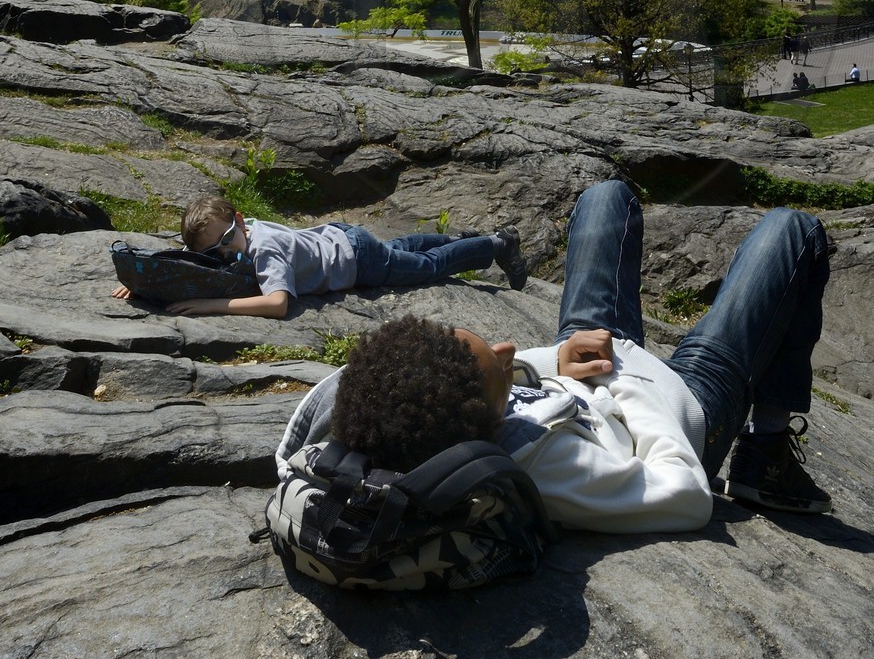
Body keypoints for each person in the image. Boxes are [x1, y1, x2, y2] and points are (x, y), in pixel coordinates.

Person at [276, 181, 833, 526]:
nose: (508, 346)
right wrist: (628, 388)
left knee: (604, 197)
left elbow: (328, 414)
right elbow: (686, 495)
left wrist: (551, 363)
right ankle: (766, 452)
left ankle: (579, 360)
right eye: (497, 365)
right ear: (491, 423)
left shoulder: (423, 418)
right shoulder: (556, 470)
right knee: (794, 229)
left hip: (585, 366)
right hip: (679, 402)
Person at [112, 196, 527, 318]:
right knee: (399, 250)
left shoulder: (262, 248)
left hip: (355, 262)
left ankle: (494, 244)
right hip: (346, 239)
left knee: (426, 268)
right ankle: (459, 238)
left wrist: (210, 305)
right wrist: (147, 280)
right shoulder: (233, 233)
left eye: (225, 240)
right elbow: (190, 257)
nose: (221, 253)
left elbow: (277, 304)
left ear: (239, 221)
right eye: (212, 250)